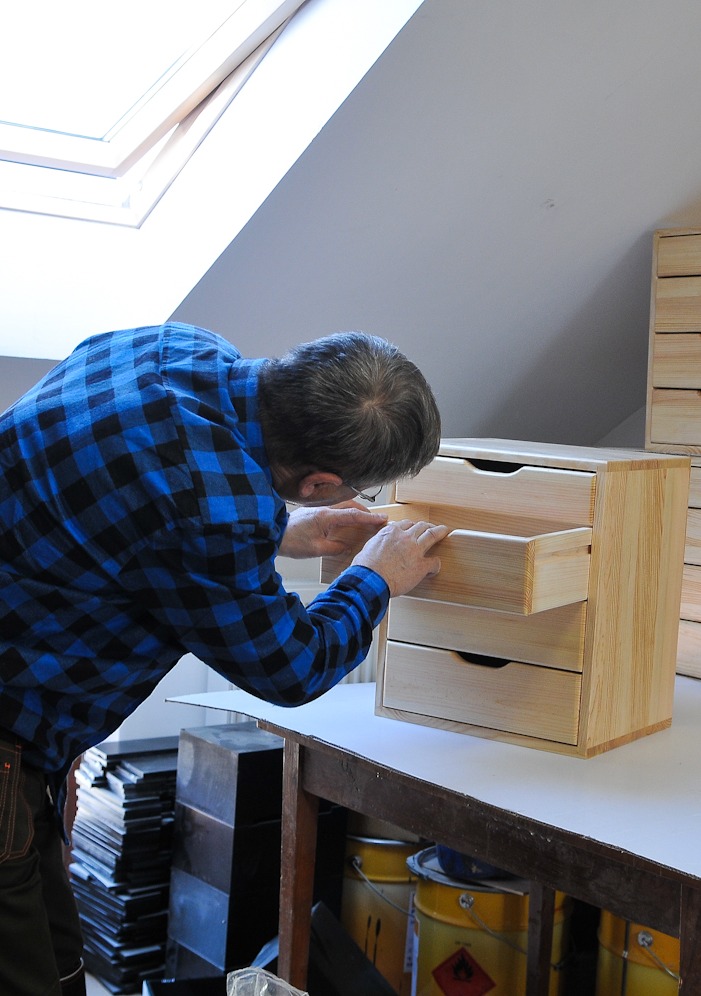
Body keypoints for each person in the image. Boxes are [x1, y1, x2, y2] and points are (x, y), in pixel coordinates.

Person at [0, 321, 448, 995]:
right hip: (10, 734)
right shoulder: (211, 513)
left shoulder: (171, 346)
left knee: (61, 969)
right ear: (322, 481)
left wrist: (281, 533)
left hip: (24, 699)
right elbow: (292, 668)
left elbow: (123, 501)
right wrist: (374, 578)